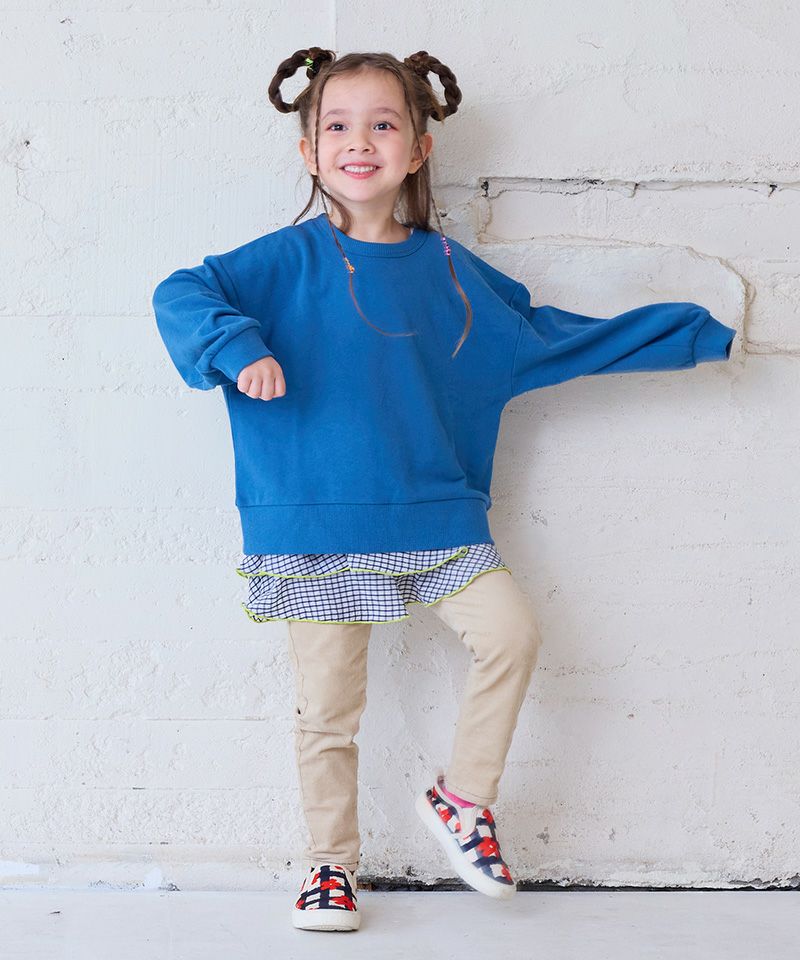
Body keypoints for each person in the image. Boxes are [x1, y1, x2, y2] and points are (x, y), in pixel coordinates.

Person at [151, 47, 737, 932]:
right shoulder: (277, 263)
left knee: (511, 636)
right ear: (309, 151)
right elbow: (182, 291)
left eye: (383, 124)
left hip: (437, 515)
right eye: (337, 126)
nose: (359, 142)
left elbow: (547, 338)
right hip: (315, 525)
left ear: (419, 148)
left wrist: (693, 336)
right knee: (329, 712)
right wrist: (236, 347)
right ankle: (329, 869)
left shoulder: (455, 273)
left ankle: (464, 799)